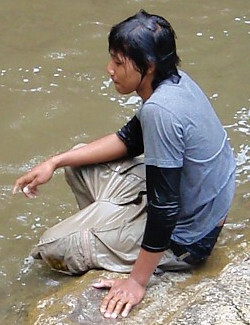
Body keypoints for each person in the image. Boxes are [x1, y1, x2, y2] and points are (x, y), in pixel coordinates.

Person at [13, 10, 236, 319]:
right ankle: (106, 234)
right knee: (77, 162)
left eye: (119, 63)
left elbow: (165, 208)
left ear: (148, 66)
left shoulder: (162, 110)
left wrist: (136, 282)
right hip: (190, 200)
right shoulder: (175, 80)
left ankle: (105, 243)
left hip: (189, 237)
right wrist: (55, 161)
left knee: (53, 246)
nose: (109, 70)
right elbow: (130, 139)